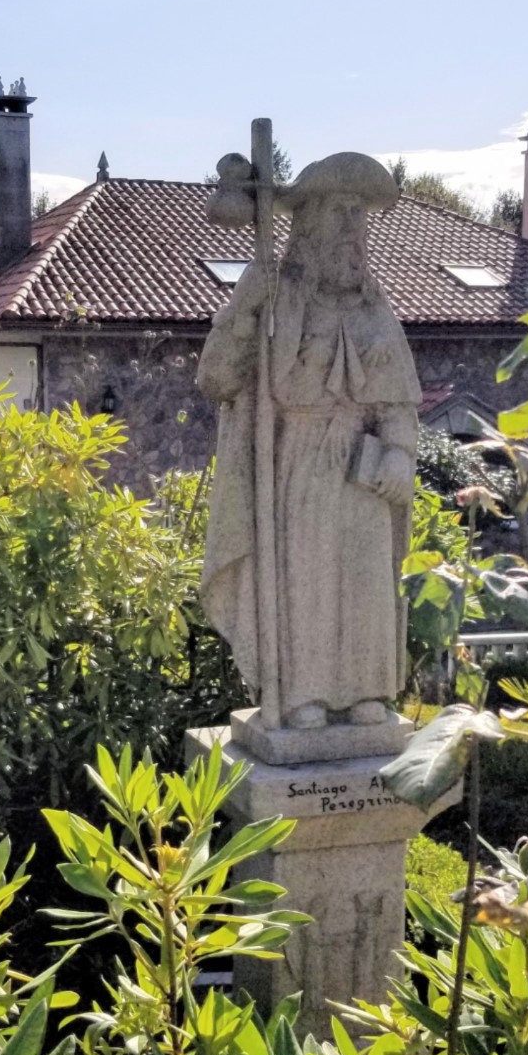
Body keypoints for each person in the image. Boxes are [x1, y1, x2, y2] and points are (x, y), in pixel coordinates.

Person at [197, 152, 420, 730]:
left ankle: (368, 690)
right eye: (340, 215)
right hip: (293, 463)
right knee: (308, 582)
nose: (353, 230)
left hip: (362, 471)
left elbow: (396, 398)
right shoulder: (275, 297)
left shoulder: (377, 309)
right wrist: (247, 301)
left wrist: (398, 450)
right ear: (309, 225)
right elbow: (218, 377)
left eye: (358, 217)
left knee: (365, 581)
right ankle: (303, 694)